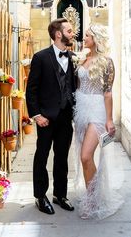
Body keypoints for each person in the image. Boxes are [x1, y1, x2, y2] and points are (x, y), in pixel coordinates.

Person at [26, 18, 76, 215]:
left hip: (65, 117)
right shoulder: (40, 58)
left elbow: (72, 86)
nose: (73, 34)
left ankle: (60, 194)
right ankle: (40, 196)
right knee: (42, 156)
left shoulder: (72, 57)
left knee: (62, 157)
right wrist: (37, 115)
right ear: (58, 34)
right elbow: (31, 90)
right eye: (70, 31)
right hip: (46, 118)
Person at [73, 23, 123, 220]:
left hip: (97, 111)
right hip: (81, 110)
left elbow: (108, 92)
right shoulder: (83, 58)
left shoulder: (106, 62)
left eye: (87, 36)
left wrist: (109, 120)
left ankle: (93, 202)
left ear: (96, 39)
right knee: (84, 158)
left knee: (86, 156)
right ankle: (90, 196)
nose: (84, 38)